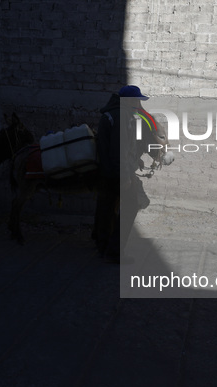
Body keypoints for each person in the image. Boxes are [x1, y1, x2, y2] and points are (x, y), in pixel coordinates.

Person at [93, 85, 149, 263]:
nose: (139, 104)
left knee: (106, 208)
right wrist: (124, 177)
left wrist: (135, 160)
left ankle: (102, 246)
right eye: (137, 100)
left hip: (107, 171)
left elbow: (118, 147)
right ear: (130, 101)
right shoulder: (122, 115)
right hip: (118, 174)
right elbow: (119, 149)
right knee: (131, 206)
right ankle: (115, 252)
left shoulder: (111, 113)